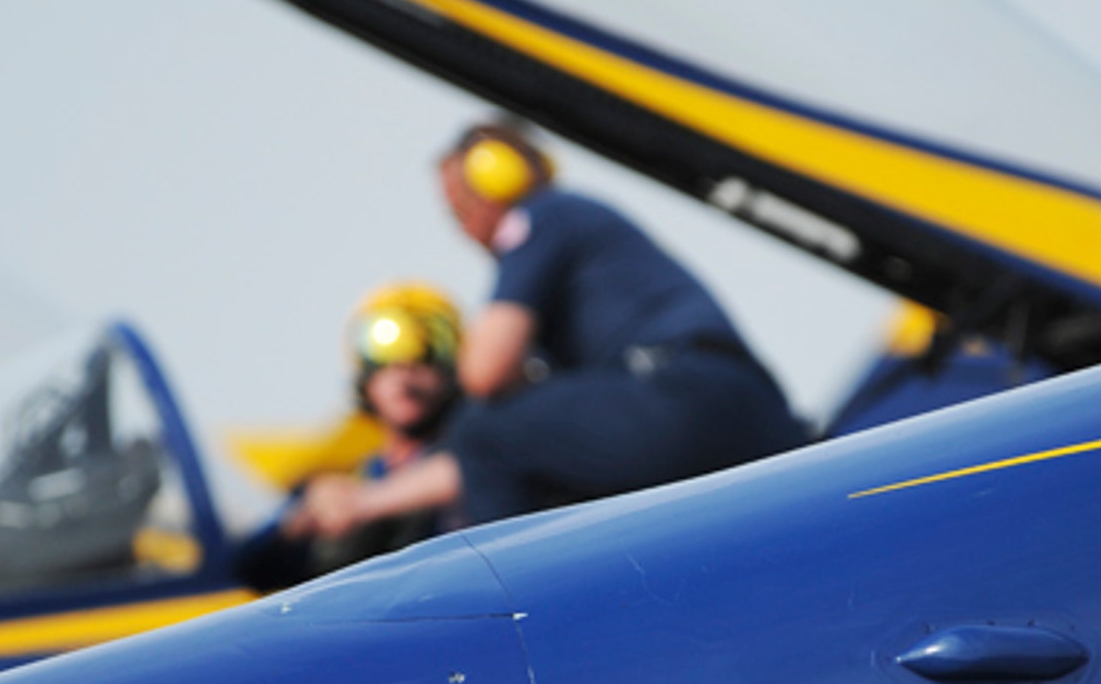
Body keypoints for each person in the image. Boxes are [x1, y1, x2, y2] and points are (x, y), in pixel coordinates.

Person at [295, 119, 805, 536]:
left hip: (680, 397)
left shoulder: (543, 218)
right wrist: (366, 502)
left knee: (483, 432)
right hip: (751, 411)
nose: (463, 230)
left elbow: (483, 375)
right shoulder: (585, 230)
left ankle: (517, 617)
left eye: (460, 208)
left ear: (495, 180)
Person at [233, 283, 464, 593]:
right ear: (363, 373)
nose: (404, 371)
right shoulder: (346, 475)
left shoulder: (480, 458)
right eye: (383, 355)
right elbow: (247, 569)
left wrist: (363, 504)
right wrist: (305, 518)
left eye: (429, 348)